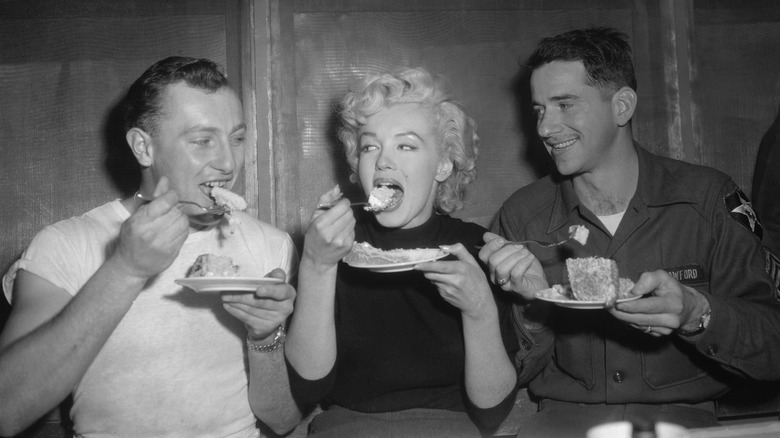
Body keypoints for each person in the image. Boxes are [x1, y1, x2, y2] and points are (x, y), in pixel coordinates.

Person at [478, 28, 780, 437]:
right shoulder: (521, 216)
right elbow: (505, 377)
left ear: (621, 106)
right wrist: (534, 308)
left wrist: (697, 313)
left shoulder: (709, 200)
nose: (545, 128)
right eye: (539, 110)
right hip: (562, 423)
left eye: (565, 104)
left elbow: (773, 347)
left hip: (683, 424)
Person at [0, 57, 300, 437]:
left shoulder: (271, 246)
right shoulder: (66, 245)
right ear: (143, 147)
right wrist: (126, 269)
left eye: (237, 138)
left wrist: (264, 338)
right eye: (203, 141)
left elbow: (283, 421)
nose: (228, 163)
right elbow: (7, 411)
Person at [285, 67, 541, 437]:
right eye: (370, 146)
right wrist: (316, 265)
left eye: (406, 146)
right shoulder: (333, 244)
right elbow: (308, 388)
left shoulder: (475, 249)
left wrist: (480, 311)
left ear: (443, 164)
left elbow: (492, 413)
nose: (383, 161)